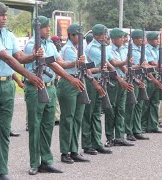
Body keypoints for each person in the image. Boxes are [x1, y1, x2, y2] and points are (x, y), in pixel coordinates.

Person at [0, 2, 44, 179]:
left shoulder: (8, 34)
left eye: (5, 15)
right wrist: (29, 75)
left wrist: (33, 56)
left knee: (4, 130)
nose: (4, 17)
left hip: (7, 85)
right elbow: (7, 58)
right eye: (1, 15)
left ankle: (2, 171)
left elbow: (19, 56)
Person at [24, 16, 84, 175]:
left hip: (49, 87)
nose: (48, 29)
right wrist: (70, 78)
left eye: (48, 26)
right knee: (35, 126)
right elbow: (51, 64)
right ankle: (34, 163)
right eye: (45, 27)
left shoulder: (49, 44)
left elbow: (60, 63)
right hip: (36, 87)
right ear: (38, 30)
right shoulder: (32, 45)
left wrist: (76, 63)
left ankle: (46, 160)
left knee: (47, 126)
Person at [82, 24, 133, 156]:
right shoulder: (93, 48)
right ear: (97, 35)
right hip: (91, 82)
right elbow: (109, 65)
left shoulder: (103, 46)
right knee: (89, 114)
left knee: (97, 114)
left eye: (106, 34)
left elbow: (114, 62)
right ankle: (88, 144)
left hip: (101, 81)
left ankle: (97, 143)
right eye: (104, 34)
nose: (106, 36)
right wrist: (121, 80)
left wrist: (126, 66)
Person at [58, 23, 105, 164]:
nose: (79, 37)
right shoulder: (67, 49)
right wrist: (78, 62)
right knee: (68, 118)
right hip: (69, 83)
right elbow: (72, 65)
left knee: (77, 118)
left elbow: (85, 68)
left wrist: (93, 81)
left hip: (80, 81)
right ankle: (65, 152)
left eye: (80, 35)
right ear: (71, 35)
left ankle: (74, 150)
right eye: (77, 35)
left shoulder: (79, 48)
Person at [104, 28, 134, 147]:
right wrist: (125, 62)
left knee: (121, 109)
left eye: (123, 38)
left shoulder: (123, 49)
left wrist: (128, 74)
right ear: (114, 39)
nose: (123, 40)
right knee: (111, 109)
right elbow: (114, 64)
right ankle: (110, 137)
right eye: (121, 38)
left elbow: (122, 66)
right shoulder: (108, 49)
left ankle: (120, 136)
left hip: (123, 80)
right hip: (113, 81)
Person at [124, 29, 151, 141]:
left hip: (142, 78)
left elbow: (146, 64)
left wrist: (146, 67)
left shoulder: (142, 50)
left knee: (139, 106)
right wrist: (139, 66)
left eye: (143, 38)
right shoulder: (129, 50)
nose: (142, 40)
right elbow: (129, 67)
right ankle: (129, 131)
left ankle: (137, 129)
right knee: (131, 106)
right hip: (133, 79)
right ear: (134, 39)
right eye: (140, 38)